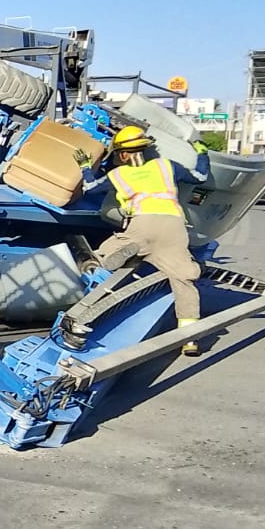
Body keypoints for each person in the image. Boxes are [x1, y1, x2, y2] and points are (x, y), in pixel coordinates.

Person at [93, 125, 211, 356]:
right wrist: (202, 152)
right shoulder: (166, 166)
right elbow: (200, 176)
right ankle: (189, 340)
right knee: (183, 279)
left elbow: (89, 188)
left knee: (103, 253)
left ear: (123, 154)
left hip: (141, 224)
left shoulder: (118, 175)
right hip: (172, 226)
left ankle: (126, 253)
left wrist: (87, 168)